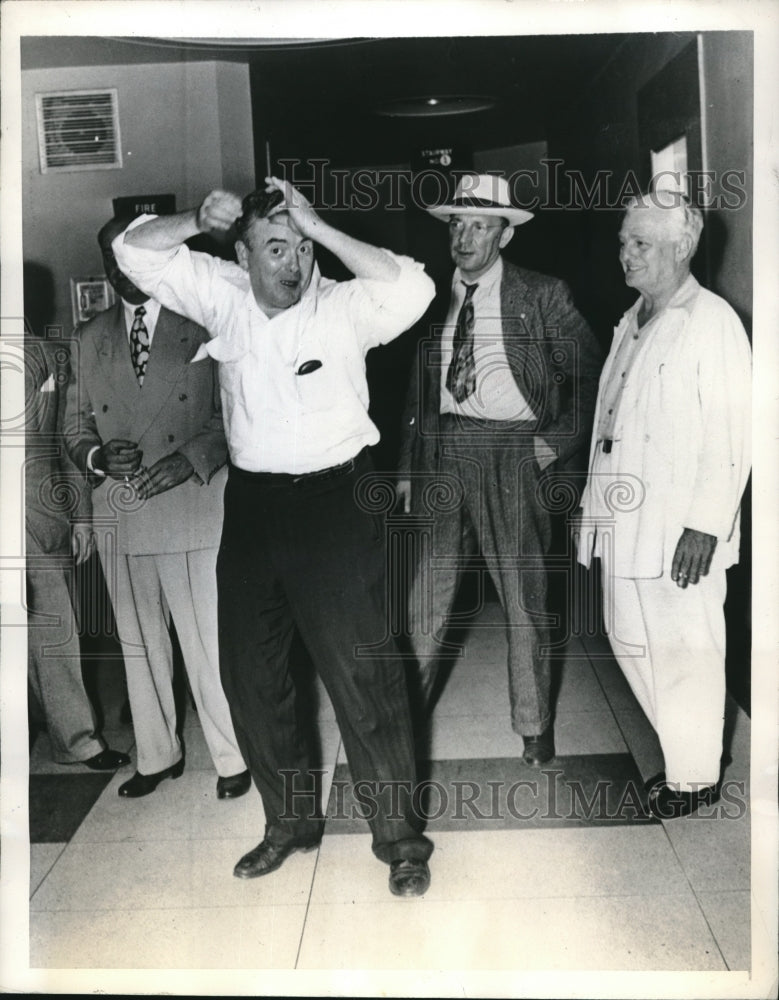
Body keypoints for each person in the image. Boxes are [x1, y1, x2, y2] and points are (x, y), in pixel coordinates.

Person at [113, 177, 436, 897]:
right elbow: (133, 252)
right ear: (243, 253)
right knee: (253, 679)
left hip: (339, 502)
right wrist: (195, 218)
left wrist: (320, 228)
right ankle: (288, 825)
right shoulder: (220, 292)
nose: (291, 265)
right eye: (274, 248)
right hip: (254, 508)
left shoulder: (344, 306)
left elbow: (413, 289)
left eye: (300, 250)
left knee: (365, 676)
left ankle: (400, 841)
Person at [396, 173, 602, 765]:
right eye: (457, 224)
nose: (463, 237)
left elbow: (594, 377)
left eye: (479, 226)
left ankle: (534, 724)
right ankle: (406, 717)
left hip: (515, 452)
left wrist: (553, 441)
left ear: (504, 235)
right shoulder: (435, 301)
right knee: (427, 595)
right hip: (444, 453)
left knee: (524, 595)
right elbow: (420, 389)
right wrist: (409, 465)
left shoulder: (543, 295)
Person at [576, 190, 751, 819]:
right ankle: (689, 754)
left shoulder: (711, 321)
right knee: (629, 641)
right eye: (624, 242)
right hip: (622, 520)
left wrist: (704, 525)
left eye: (641, 244)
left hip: (680, 527)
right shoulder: (634, 319)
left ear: (682, 248)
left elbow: (733, 437)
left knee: (685, 648)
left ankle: (694, 775)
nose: (626, 254)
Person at [63, 217, 249, 801]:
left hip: (191, 502)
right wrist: (96, 456)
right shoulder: (88, 336)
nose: (121, 272)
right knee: (137, 642)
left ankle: (232, 756)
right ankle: (156, 753)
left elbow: (235, 416)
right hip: (120, 508)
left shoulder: (203, 320)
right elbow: (75, 425)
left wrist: (192, 457)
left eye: (131, 258)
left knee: (206, 642)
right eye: (110, 260)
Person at [25, 331, 129, 770]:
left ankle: (77, 741)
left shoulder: (50, 354)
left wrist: (82, 516)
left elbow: (65, 442)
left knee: (55, 627)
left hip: (39, 512)